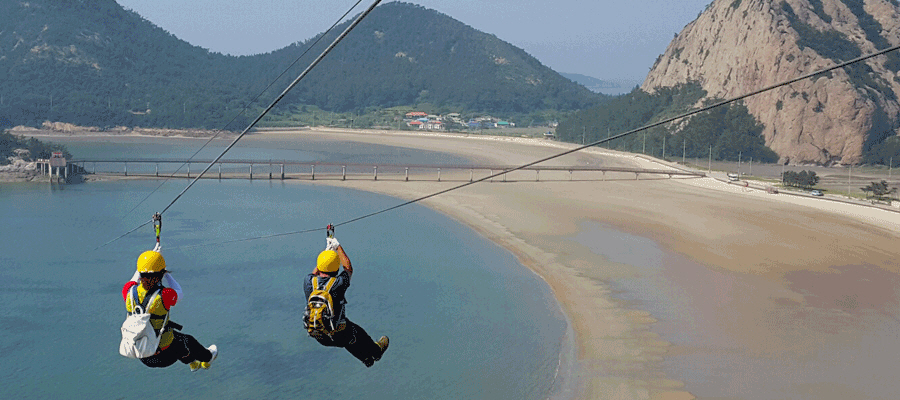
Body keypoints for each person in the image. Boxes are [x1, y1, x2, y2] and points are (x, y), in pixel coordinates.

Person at [122, 248, 218, 371]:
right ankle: (208, 357)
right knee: (187, 341)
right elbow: (179, 293)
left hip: (143, 355)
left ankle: (192, 362)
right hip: (165, 355)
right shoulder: (164, 295)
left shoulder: (128, 292)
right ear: (160, 274)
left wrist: (150, 263)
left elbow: (133, 280)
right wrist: (167, 274)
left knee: (178, 339)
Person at [303, 235, 389, 367]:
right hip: (338, 333)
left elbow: (316, 272)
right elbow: (348, 268)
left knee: (348, 335)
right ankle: (376, 352)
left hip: (319, 335)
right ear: (336, 268)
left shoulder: (309, 282)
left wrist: (327, 251)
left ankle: (367, 359)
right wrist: (337, 246)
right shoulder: (338, 283)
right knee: (354, 333)